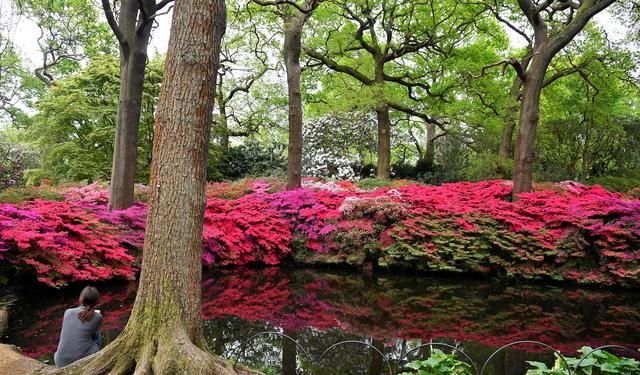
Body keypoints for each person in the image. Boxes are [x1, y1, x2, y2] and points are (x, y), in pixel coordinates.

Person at [54, 286, 103, 368]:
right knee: (96, 337)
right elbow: (96, 338)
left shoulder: (68, 312)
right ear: (96, 302)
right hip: (81, 362)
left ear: (81, 298)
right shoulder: (98, 317)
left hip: (60, 361)